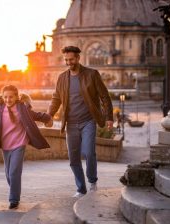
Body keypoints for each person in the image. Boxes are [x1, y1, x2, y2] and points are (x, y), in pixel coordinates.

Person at [47, 46, 113, 198]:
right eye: (66, 60)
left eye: (71, 59)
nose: (68, 62)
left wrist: (109, 116)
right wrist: (49, 115)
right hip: (70, 123)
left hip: (88, 121)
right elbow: (56, 98)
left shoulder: (91, 74)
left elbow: (104, 96)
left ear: (78, 58)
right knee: (73, 158)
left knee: (89, 152)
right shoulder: (62, 77)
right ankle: (81, 188)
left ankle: (92, 180)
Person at [0, 85, 52, 209]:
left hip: (19, 143)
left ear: (16, 97)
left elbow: (37, 115)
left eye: (11, 97)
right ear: (2, 97)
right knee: (8, 174)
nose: (8, 100)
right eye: (5, 97)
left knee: (14, 172)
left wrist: (48, 119)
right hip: (5, 144)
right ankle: (15, 190)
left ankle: (14, 199)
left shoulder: (22, 108)